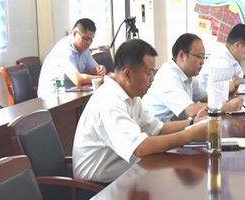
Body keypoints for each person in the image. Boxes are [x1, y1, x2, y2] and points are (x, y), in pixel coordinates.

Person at [73, 39, 209, 184]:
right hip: (97, 188)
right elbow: (140, 148)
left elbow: (158, 129)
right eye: (148, 73)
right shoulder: (109, 100)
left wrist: (193, 123)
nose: (152, 79)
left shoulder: (132, 95)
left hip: (125, 175)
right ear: (127, 74)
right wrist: (189, 135)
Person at [143, 33, 243, 122]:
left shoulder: (188, 76)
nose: (202, 62)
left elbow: (206, 98)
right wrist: (226, 107)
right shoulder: (168, 77)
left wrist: (229, 94)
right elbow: (191, 110)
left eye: (204, 57)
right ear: (182, 55)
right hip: (157, 133)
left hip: (176, 129)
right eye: (199, 57)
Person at [38, 18, 107, 96]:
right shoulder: (64, 49)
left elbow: (95, 70)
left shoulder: (84, 50)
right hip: (52, 94)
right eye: (86, 39)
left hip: (71, 91)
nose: (88, 43)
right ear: (74, 33)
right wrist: (103, 79)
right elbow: (78, 80)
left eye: (91, 39)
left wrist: (100, 69)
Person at [198, 23, 245, 94]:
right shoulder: (221, 61)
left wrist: (235, 82)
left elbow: (239, 79)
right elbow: (222, 91)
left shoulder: (231, 57)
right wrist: (234, 83)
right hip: (207, 99)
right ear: (238, 45)